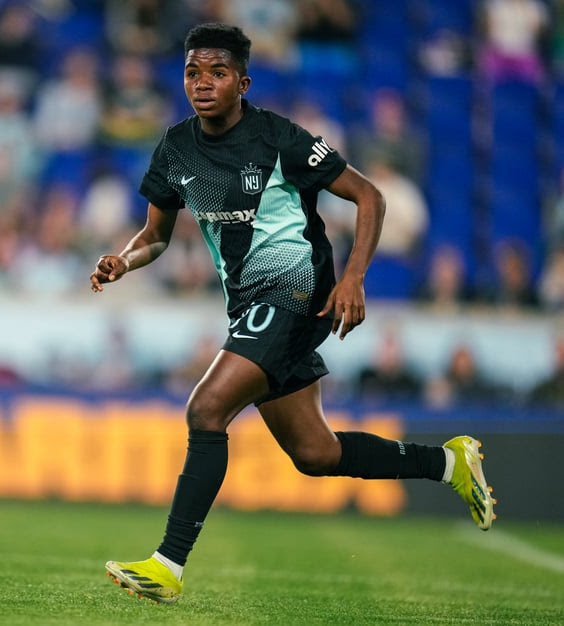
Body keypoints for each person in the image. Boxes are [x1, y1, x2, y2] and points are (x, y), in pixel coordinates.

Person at [88, 23, 495, 605]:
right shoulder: (176, 148)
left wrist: (354, 276)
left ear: (243, 82)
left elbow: (369, 196)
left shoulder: (279, 138)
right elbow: (155, 234)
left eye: (217, 73)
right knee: (315, 454)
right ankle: (448, 462)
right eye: (192, 72)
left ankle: (167, 564)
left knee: (206, 409)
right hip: (248, 305)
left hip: (299, 293)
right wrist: (124, 262)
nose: (202, 84)